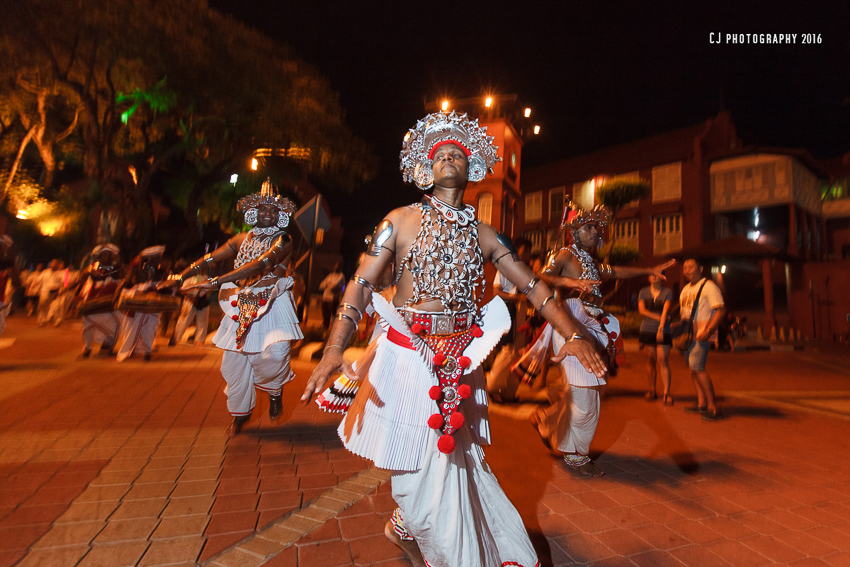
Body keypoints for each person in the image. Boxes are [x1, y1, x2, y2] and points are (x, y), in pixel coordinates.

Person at [302, 111, 607, 567]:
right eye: (439, 154)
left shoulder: (485, 235)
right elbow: (360, 284)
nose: (448, 158)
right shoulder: (399, 220)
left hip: (462, 360)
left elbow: (533, 288)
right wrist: (331, 350)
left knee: (447, 461)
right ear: (425, 169)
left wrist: (574, 334)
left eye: (457, 155)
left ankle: (410, 528)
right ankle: (432, 541)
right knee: (421, 468)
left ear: (473, 170)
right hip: (407, 357)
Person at [532, 202, 675, 477]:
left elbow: (618, 271)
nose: (596, 233)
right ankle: (577, 457)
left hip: (592, 325)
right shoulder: (564, 254)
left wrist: (649, 270)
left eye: (597, 228)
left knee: (585, 390)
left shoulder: (594, 263)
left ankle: (546, 423)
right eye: (588, 227)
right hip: (570, 323)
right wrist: (571, 283)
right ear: (574, 231)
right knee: (585, 395)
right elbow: (541, 276)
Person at [169, 179, 302, 434]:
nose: (267, 214)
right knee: (233, 362)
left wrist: (216, 282)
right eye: (262, 209)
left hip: (273, 300)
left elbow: (261, 265)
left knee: (275, 354)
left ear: (281, 215)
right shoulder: (242, 238)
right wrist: (182, 275)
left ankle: (274, 388)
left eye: (273, 210)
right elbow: (209, 259)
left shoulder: (284, 239)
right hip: (242, 301)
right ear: (253, 212)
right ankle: (241, 413)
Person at [679, 257, 725, 421]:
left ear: (701, 268)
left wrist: (710, 330)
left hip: (701, 334)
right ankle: (701, 403)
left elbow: (720, 310)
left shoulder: (709, 287)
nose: (687, 271)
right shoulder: (685, 290)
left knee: (698, 368)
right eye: (685, 268)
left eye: (691, 267)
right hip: (688, 336)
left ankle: (713, 407)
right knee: (693, 368)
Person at [116, 246, 168, 362]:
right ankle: (129, 349)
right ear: (149, 259)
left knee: (151, 325)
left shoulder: (161, 269)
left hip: (154, 300)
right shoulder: (136, 268)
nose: (158, 260)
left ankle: (147, 351)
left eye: (158, 258)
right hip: (137, 300)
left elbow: (165, 284)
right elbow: (128, 281)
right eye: (156, 258)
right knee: (132, 326)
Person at [77, 244, 123, 357]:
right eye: (104, 255)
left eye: (109, 255)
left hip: (110, 301)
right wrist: (88, 273)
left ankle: (108, 344)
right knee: (88, 323)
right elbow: (81, 278)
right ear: (98, 257)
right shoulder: (92, 267)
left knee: (116, 323)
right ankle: (87, 347)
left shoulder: (117, 268)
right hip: (92, 299)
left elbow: (122, 280)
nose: (106, 257)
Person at [638, 274, 674, 403]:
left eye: (658, 274)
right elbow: (642, 311)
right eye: (652, 274)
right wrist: (660, 319)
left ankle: (667, 393)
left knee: (663, 359)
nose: (654, 277)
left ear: (663, 277)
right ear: (648, 277)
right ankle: (652, 390)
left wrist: (661, 327)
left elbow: (665, 311)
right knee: (650, 360)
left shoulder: (667, 292)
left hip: (663, 329)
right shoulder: (643, 292)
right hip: (646, 329)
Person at [171, 273, 210, 347]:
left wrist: (206, 295)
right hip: (189, 302)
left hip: (202, 301)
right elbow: (182, 290)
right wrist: (191, 296)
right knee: (183, 321)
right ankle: (176, 339)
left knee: (202, 321)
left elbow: (210, 289)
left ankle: (199, 341)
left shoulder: (206, 277)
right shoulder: (190, 278)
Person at [36, 259, 63, 327]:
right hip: (45, 290)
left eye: (56, 264)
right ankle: (42, 321)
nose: (54, 265)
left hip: (55, 291)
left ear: (58, 265)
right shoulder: (45, 272)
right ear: (50, 264)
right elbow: (38, 280)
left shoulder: (61, 273)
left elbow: (64, 283)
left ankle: (57, 321)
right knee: (44, 305)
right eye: (53, 263)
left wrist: (60, 291)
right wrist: (34, 285)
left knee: (56, 306)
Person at [319, 262, 345, 330]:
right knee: (325, 318)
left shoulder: (341, 276)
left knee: (334, 318)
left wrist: (327, 284)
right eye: (335, 266)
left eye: (338, 266)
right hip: (325, 299)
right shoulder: (330, 275)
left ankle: (333, 332)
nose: (336, 268)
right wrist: (329, 284)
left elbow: (333, 288)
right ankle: (324, 332)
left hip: (332, 300)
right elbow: (321, 286)